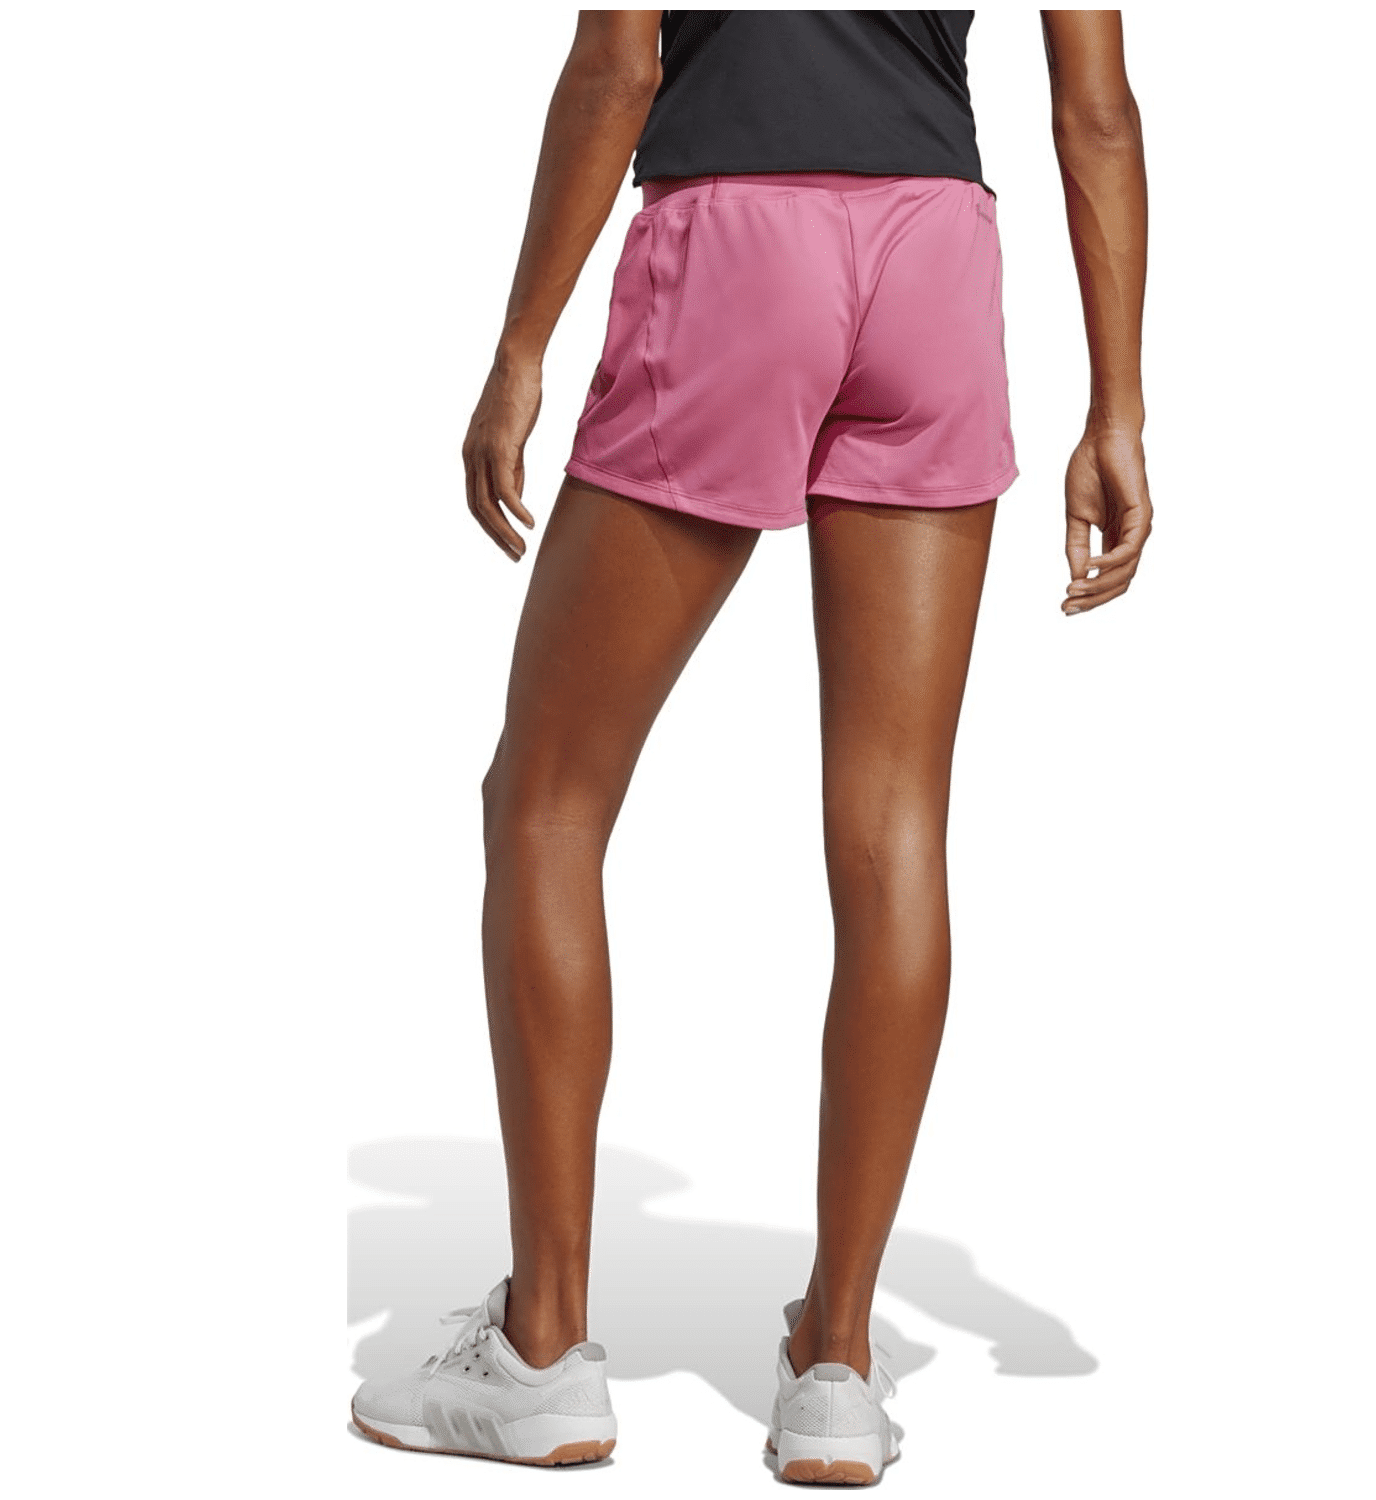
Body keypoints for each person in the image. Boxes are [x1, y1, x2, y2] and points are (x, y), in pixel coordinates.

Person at [351, 8, 1150, 1485]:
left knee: (544, 800)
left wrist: (520, 347)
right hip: (936, 253)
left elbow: (620, 64)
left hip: (735, 245)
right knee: (896, 826)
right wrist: (1119, 403)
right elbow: (1093, 107)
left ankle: (542, 1354)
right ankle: (835, 1366)